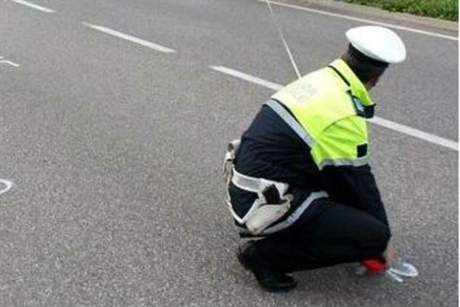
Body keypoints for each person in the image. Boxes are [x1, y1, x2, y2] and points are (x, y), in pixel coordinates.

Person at [223, 26, 407, 292]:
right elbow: (359, 185)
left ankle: (293, 232)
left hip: (250, 184)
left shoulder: (322, 79)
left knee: (341, 194)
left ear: (346, 55)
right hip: (262, 200)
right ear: (377, 78)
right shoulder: (344, 114)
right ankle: (265, 257)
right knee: (372, 235)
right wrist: (381, 240)